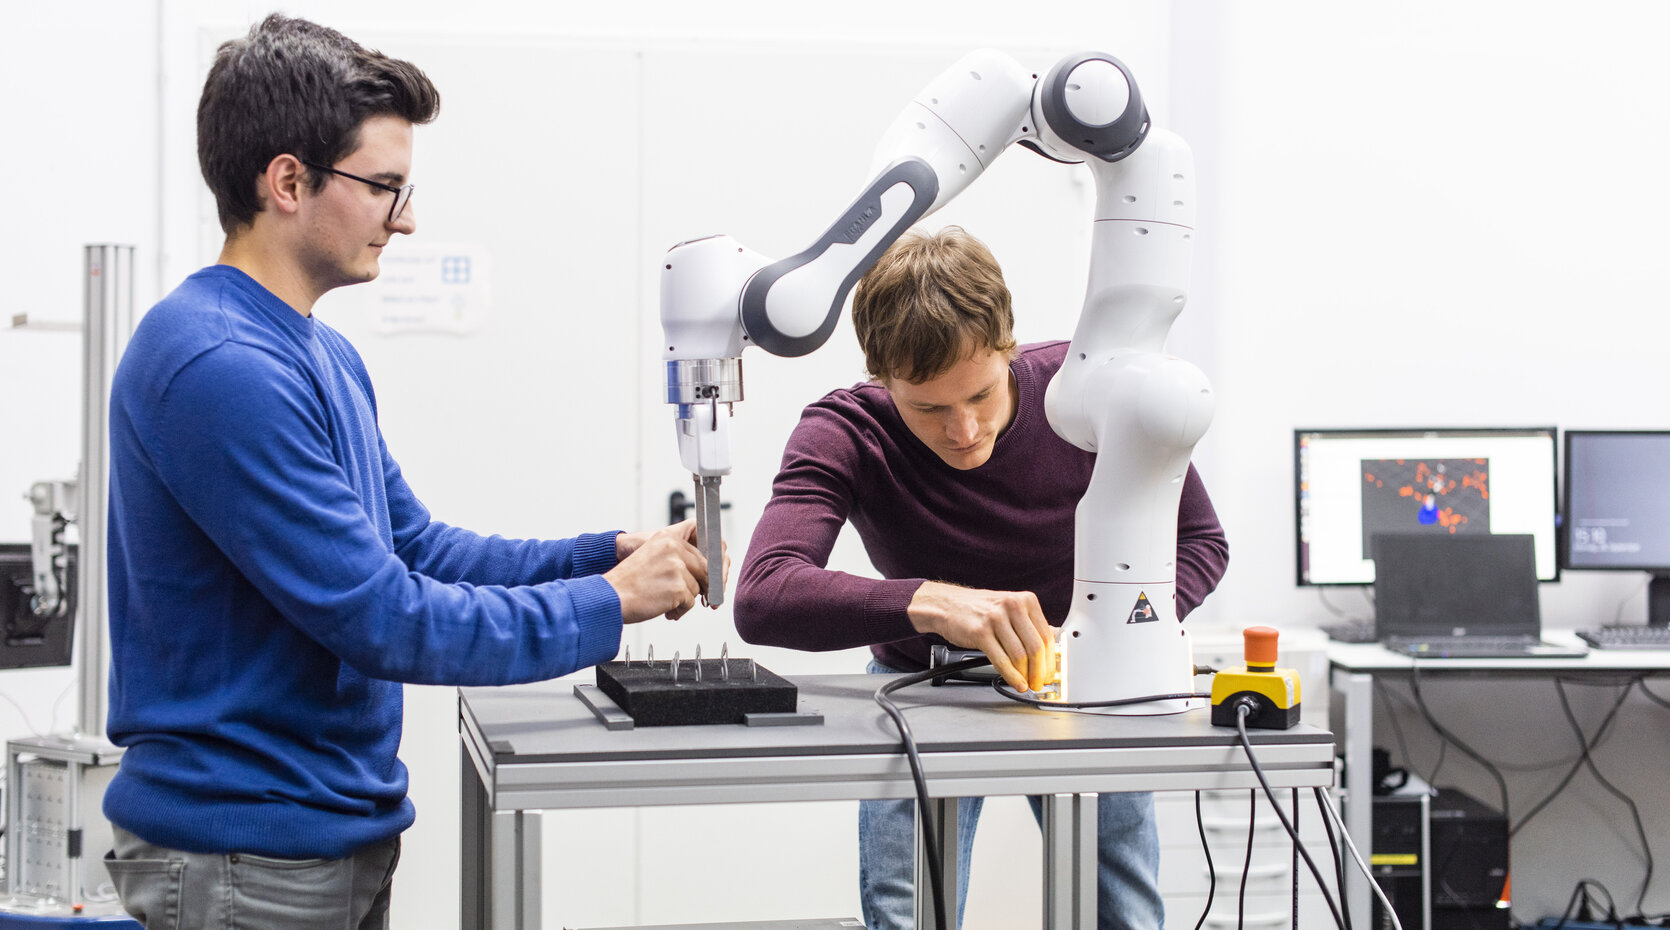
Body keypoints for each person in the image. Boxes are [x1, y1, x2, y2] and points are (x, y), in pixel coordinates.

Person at [100, 15, 712, 929]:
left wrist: (601, 556)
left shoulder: (319, 355)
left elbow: (415, 548)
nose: (409, 216)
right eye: (385, 187)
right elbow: (384, 618)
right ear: (287, 181)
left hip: (324, 839)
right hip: (248, 861)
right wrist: (610, 602)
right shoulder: (218, 365)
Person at [734, 225, 1229, 930]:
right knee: (906, 913)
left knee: (1123, 913)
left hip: (1089, 683)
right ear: (882, 378)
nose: (963, 430)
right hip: (923, 686)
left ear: (1009, 349)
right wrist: (928, 603)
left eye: (980, 395)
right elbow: (764, 595)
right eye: (928, 408)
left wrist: (1101, 636)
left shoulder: (1093, 397)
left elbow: (1201, 540)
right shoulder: (848, 431)